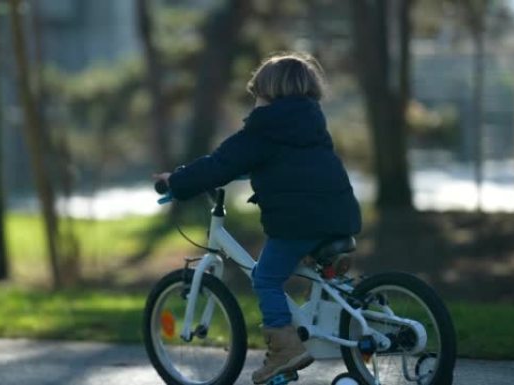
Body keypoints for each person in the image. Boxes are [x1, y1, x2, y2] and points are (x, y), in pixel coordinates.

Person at [153, 53, 361, 384]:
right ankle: (345, 324)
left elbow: (219, 164)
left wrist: (175, 182)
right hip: (340, 215)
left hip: (298, 222)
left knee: (265, 277)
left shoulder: (264, 129)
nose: (253, 104)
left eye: (256, 95)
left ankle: (284, 348)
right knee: (317, 273)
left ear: (268, 94)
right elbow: (290, 163)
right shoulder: (311, 123)